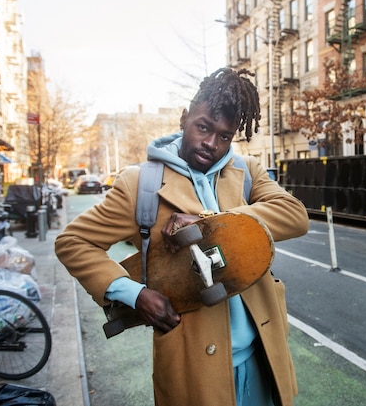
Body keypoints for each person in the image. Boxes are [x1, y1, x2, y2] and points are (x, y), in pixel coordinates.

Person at [55, 68, 309, 406]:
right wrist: (135, 294)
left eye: (224, 136)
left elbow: (295, 216)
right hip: (193, 366)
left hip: (261, 352)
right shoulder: (140, 184)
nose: (211, 143)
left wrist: (208, 221)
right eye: (203, 127)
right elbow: (73, 243)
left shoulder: (247, 172)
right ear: (184, 117)